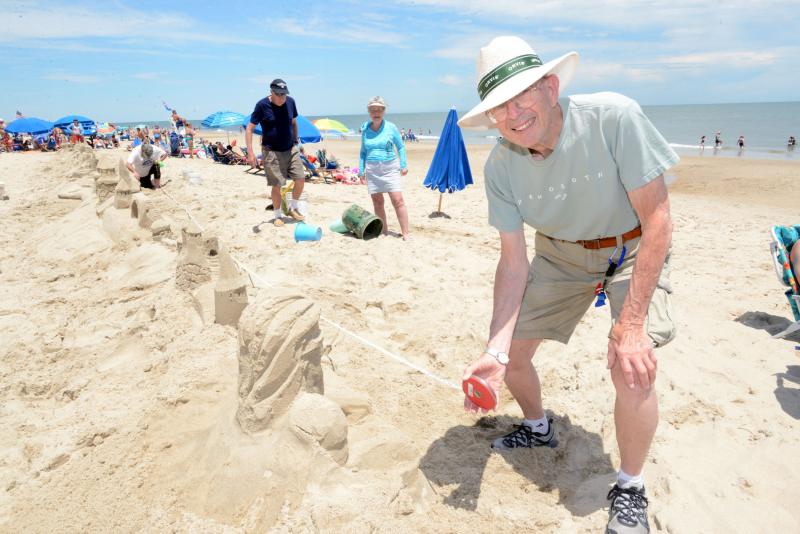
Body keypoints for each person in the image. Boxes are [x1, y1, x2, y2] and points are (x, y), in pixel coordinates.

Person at [457, 36, 678, 533]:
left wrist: (633, 322)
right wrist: (493, 350)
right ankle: (538, 427)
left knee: (633, 365)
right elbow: (513, 263)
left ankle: (630, 486)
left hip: (632, 247)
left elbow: (659, 218)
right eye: (498, 108)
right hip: (558, 254)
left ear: (551, 88)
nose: (513, 115)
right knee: (512, 355)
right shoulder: (500, 167)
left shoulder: (614, 118)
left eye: (522, 97)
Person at [245, 78, 305, 227]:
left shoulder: (291, 102)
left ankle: (293, 207)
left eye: (284, 94)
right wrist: (250, 153)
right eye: (278, 95)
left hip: (290, 148)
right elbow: (250, 128)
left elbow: (294, 122)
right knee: (277, 185)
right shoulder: (262, 105)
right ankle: (278, 215)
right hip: (271, 151)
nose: (282, 98)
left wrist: (297, 141)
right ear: (271, 92)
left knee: (300, 178)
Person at [358, 96, 410, 240]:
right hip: (372, 169)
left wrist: (403, 164)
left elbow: (400, 147)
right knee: (377, 202)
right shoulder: (365, 130)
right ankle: (383, 231)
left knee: (398, 200)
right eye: (373, 109)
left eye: (379, 109)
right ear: (369, 112)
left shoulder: (391, 127)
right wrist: (361, 171)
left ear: (383, 111)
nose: (376, 112)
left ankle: (406, 233)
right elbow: (363, 152)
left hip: (390, 168)